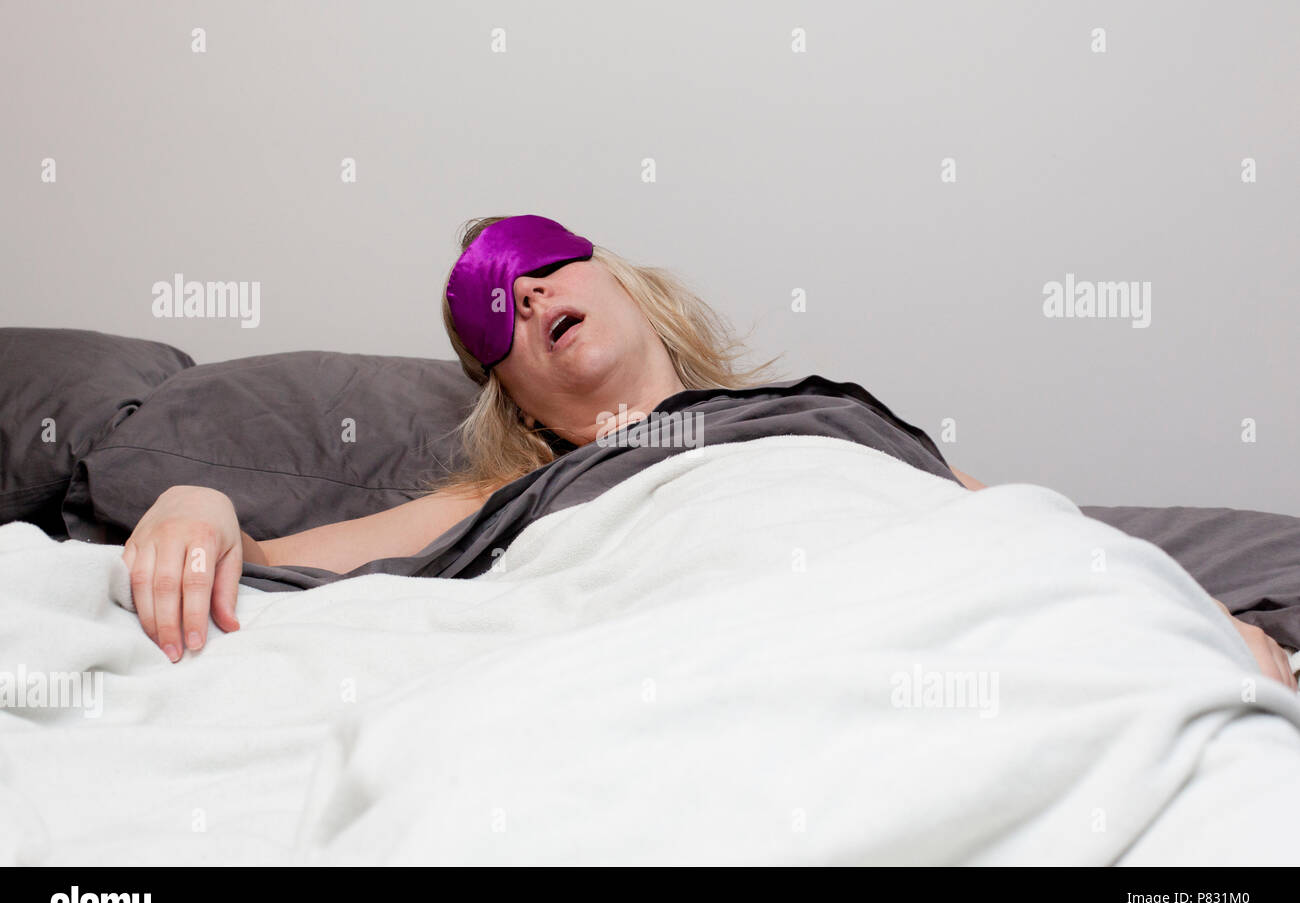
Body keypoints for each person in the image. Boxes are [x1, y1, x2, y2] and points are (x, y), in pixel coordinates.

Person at [119, 215, 1294, 692]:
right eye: (493, 314)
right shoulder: (520, 490)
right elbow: (270, 560)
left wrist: (1195, 621)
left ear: (618, 277)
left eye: (542, 265)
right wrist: (193, 500)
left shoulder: (831, 422)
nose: (526, 296)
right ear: (509, 394)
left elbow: (1025, 533)